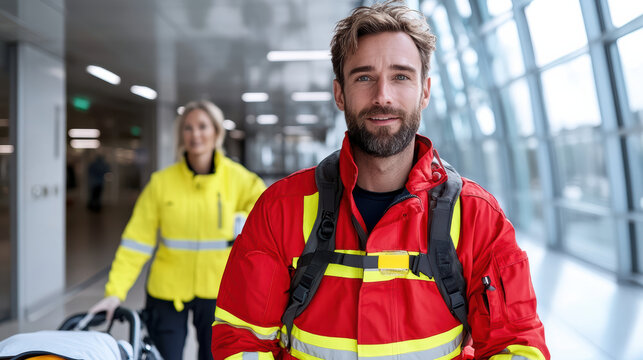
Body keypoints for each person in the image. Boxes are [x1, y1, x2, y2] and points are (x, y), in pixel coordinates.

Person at [211, 2, 549, 360]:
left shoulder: (477, 216)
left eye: (401, 76)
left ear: (425, 92)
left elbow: (517, 346)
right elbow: (241, 342)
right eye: (364, 77)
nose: (382, 95)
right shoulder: (281, 209)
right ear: (340, 93)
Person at [89, 100, 266, 360]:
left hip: (220, 290)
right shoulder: (161, 183)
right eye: (188, 128)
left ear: (217, 132)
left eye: (203, 126)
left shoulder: (241, 180)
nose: (195, 134)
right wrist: (115, 293)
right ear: (181, 134)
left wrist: (240, 221)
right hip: (167, 291)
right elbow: (136, 243)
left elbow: (266, 223)